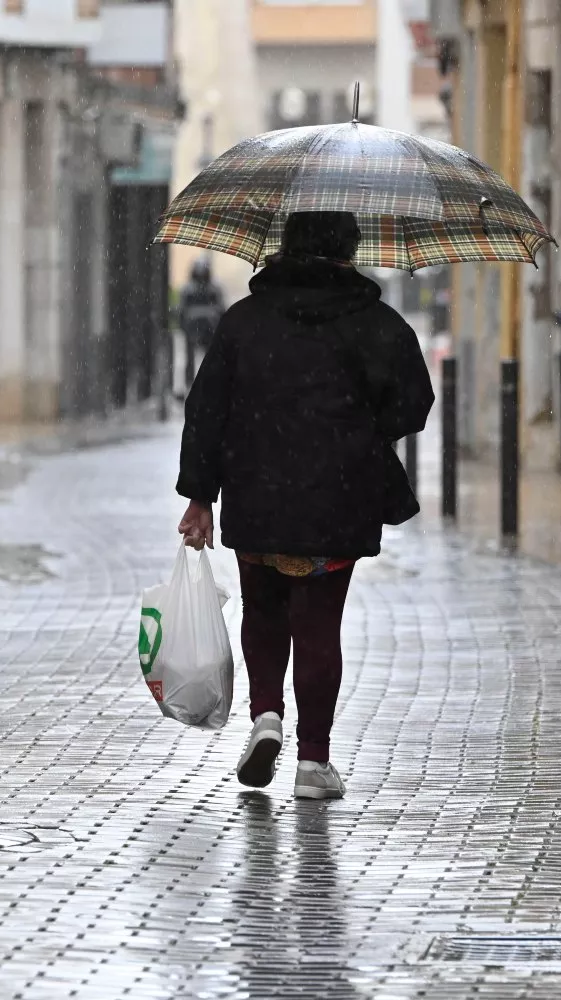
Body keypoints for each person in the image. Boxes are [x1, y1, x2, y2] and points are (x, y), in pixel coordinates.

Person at [175, 211, 433, 800]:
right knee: (320, 627)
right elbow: (414, 404)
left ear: (283, 246)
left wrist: (200, 495)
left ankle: (266, 715)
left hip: (256, 495)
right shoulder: (378, 324)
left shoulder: (243, 322)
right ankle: (313, 761)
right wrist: (364, 429)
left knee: (262, 612)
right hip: (337, 498)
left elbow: (205, 411)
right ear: (348, 250)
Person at [177, 258, 226, 389]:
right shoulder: (188, 290)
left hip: (208, 330)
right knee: (192, 359)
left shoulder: (213, 289)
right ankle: (192, 383)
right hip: (195, 329)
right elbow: (181, 311)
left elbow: (221, 309)